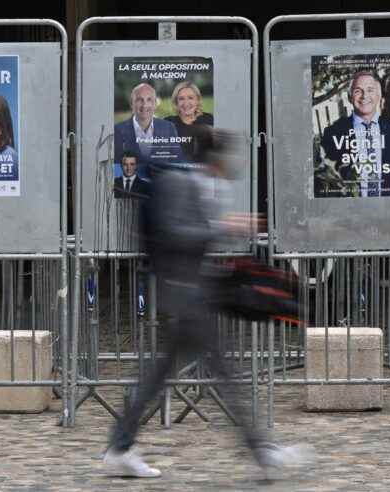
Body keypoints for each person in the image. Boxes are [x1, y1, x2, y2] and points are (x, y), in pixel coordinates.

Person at [103, 128, 312, 479]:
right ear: (216, 158)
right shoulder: (180, 184)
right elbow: (175, 233)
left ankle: (119, 447)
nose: (234, 164)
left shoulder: (198, 184)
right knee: (224, 375)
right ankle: (262, 453)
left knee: (159, 376)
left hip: (192, 294)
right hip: (185, 296)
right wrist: (223, 228)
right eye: (230, 156)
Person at [319, 71, 390, 197]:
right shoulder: (333, 133)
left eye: (370, 90)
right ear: (349, 97)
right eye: (358, 91)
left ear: (379, 95)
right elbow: (328, 181)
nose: (364, 96)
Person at [114, 83, 183, 165]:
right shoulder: (117, 130)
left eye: (149, 100)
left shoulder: (168, 128)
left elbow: (177, 162)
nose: (144, 105)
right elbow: (116, 166)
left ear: (155, 104)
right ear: (132, 104)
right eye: (139, 100)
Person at [165, 81, 214, 163]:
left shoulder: (209, 119)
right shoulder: (168, 122)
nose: (186, 103)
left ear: (197, 100)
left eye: (190, 98)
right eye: (181, 99)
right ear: (176, 102)